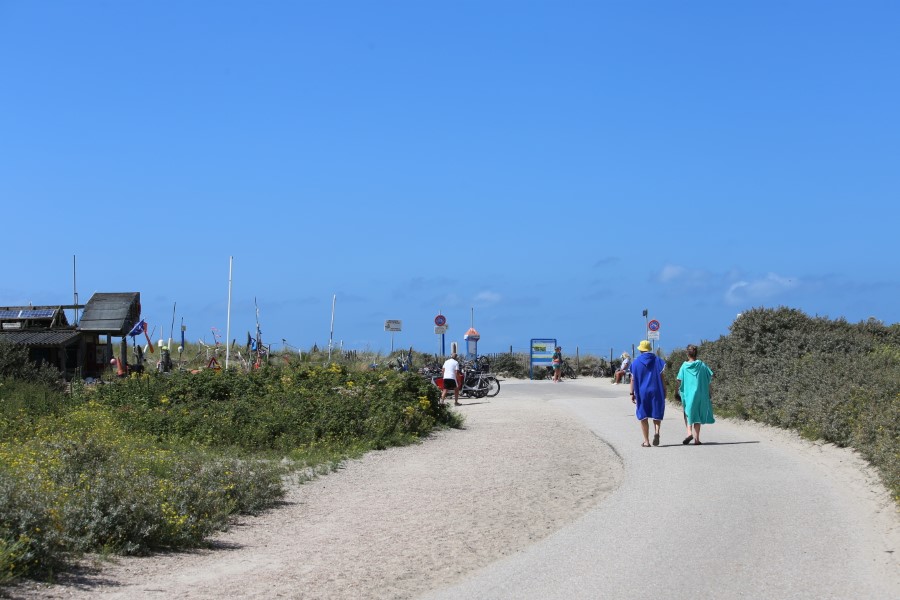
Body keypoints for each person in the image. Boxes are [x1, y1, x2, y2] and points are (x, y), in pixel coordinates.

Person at [630, 340, 667, 447]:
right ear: (650, 348)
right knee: (656, 412)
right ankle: (657, 431)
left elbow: (632, 380)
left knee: (643, 415)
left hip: (642, 391)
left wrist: (632, 393)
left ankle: (646, 441)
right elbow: (662, 377)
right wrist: (664, 389)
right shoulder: (658, 361)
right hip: (656, 389)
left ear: (641, 349)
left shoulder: (635, 363)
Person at [677, 344, 714, 445]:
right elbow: (709, 379)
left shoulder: (684, 366)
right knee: (697, 414)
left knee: (688, 413)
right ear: (696, 353)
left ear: (687, 354)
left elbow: (679, 380)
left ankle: (689, 433)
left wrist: (678, 391)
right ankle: (697, 439)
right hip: (701, 394)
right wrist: (710, 392)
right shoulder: (702, 365)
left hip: (688, 394)